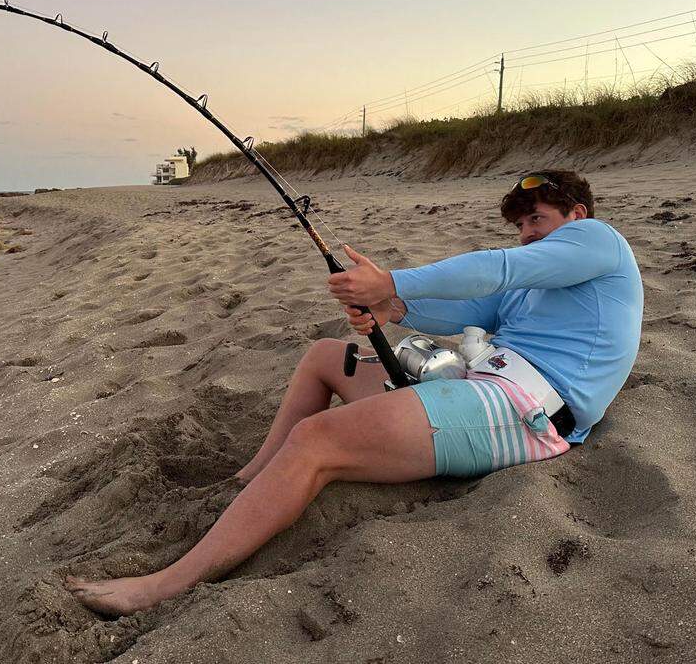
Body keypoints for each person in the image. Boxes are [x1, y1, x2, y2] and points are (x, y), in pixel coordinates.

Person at [67, 169, 643, 616]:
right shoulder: (530, 280)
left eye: (537, 220)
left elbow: (495, 271)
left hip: (533, 413)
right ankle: (248, 482)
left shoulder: (600, 243)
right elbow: (465, 307)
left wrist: (392, 282)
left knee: (316, 439)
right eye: (519, 227)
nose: (525, 235)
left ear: (577, 214)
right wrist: (388, 305)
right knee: (325, 357)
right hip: (482, 382)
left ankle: (163, 586)